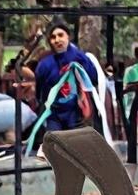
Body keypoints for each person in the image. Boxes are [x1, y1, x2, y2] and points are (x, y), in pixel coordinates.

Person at [33, 21, 98, 157]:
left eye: (60, 35)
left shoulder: (80, 58)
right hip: (54, 115)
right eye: (53, 37)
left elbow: (93, 79)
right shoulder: (44, 65)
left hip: (76, 113)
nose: (57, 40)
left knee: (80, 151)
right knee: (53, 150)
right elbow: (40, 92)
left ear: (68, 37)